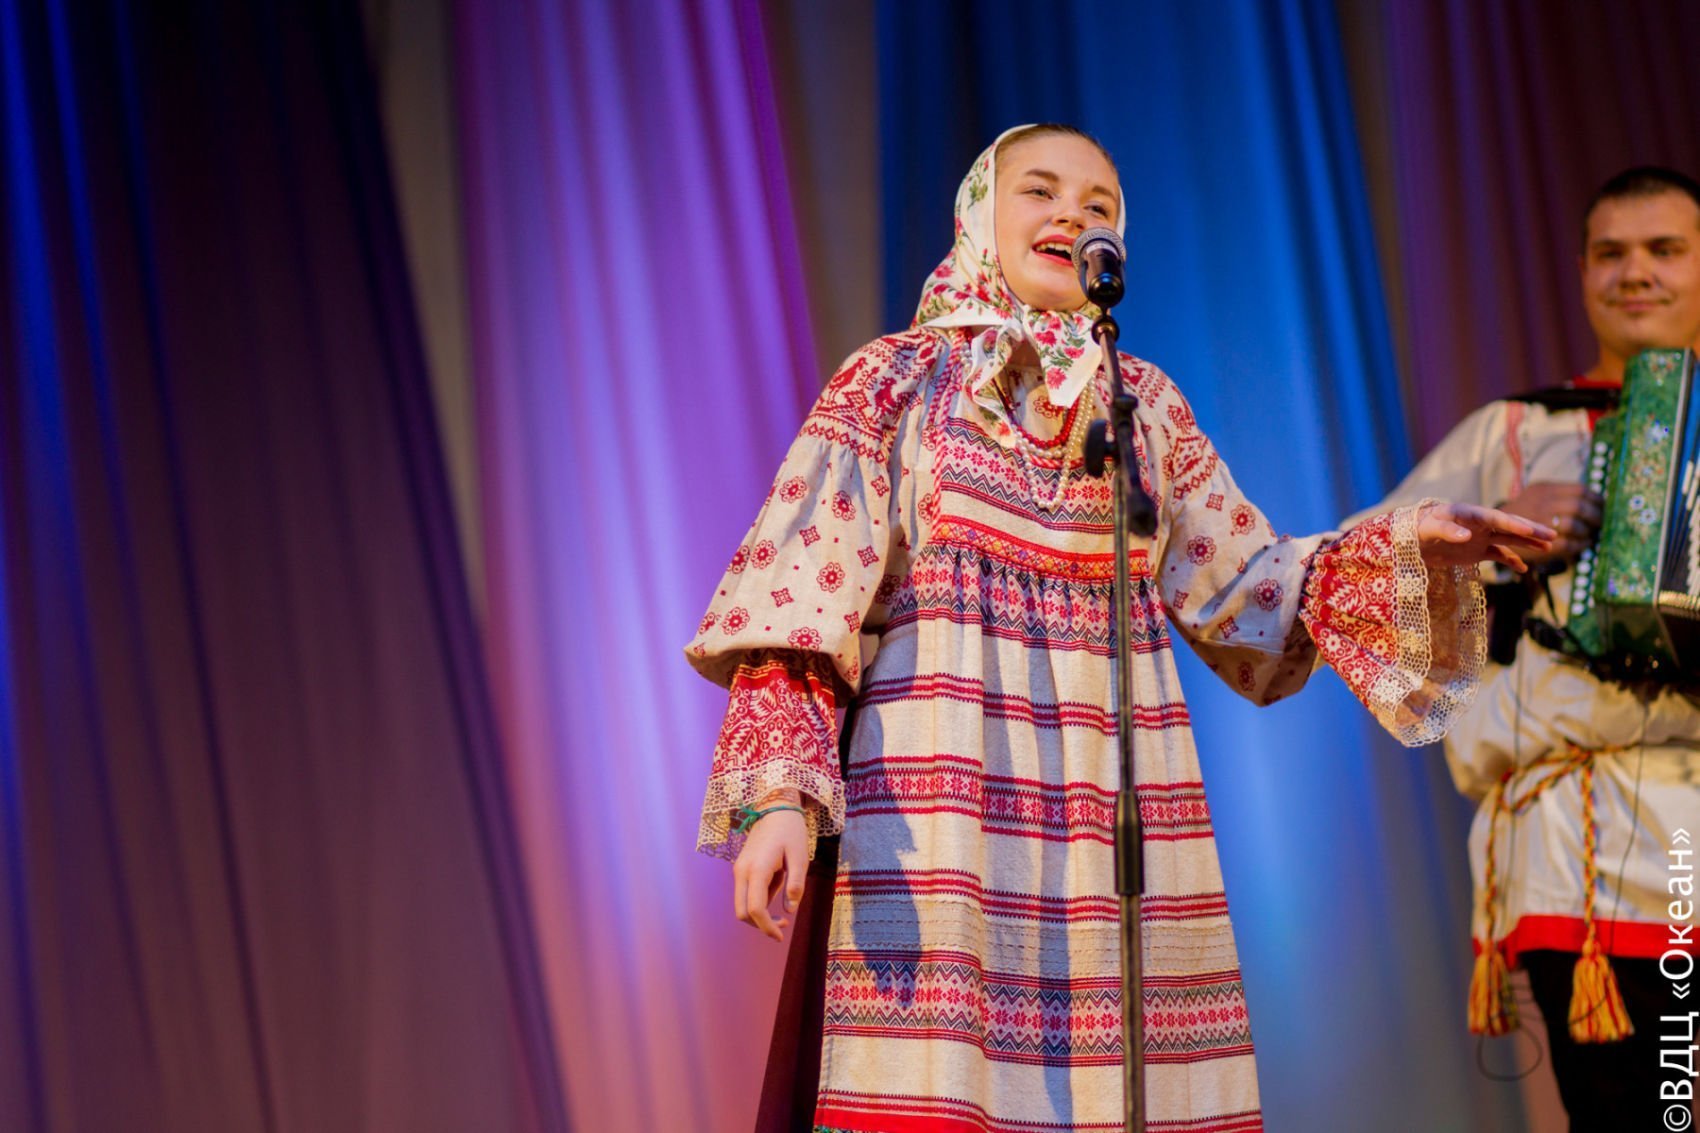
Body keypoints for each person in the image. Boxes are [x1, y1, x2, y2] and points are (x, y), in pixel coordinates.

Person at [686, 123, 1550, 1132]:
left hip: (1111, 812)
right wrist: (778, 802)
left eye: (1097, 205)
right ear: (979, 215)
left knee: (1118, 1091)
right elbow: (798, 602)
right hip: (939, 809)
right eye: (1039, 191)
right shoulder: (895, 380)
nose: (1071, 215)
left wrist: (1404, 546)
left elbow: (1250, 588)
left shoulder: (1143, 408)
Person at [1349, 166, 1700, 1129]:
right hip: (1584, 834)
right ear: (1582, 271)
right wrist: (1489, 535)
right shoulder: (1512, 432)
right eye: (1611, 253)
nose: (1636, 272)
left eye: (1665, 250)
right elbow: (1352, 583)